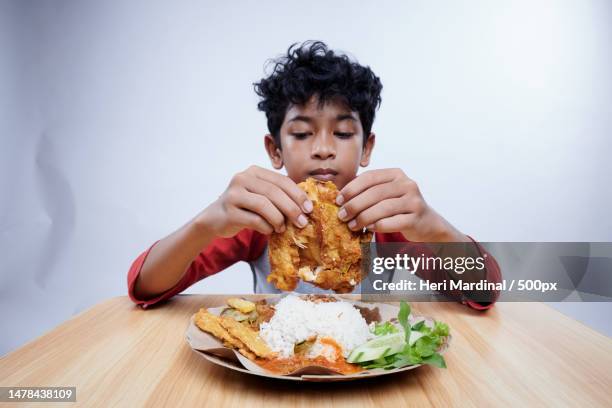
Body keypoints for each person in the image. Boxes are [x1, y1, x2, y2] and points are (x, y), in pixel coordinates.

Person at [127, 41, 501, 309]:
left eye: (342, 133)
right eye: (303, 133)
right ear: (275, 150)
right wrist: (207, 223)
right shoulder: (261, 216)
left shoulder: (384, 219)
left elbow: (483, 290)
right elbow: (146, 285)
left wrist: (435, 228)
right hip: (276, 371)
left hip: (366, 370)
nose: (323, 148)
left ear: (367, 147)